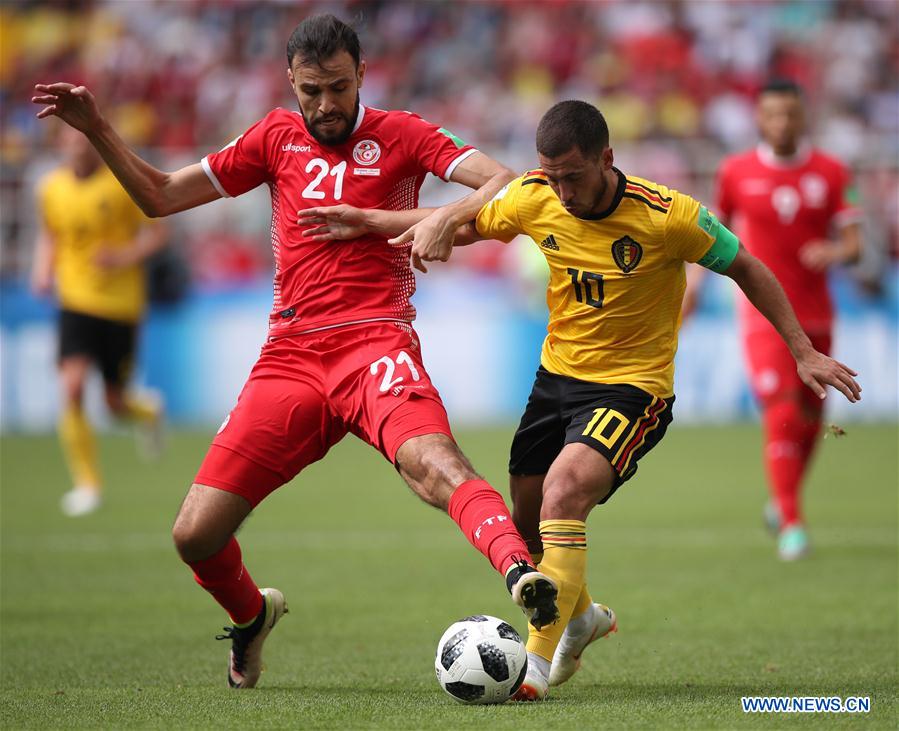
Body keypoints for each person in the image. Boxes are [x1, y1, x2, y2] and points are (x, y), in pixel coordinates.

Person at [32, 14, 559, 690]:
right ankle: (252, 618)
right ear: (291, 82)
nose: (326, 105)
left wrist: (440, 216)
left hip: (376, 343)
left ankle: (521, 573)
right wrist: (98, 129)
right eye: (311, 90)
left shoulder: (402, 133)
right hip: (290, 358)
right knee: (194, 535)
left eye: (339, 87)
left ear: (362, 74)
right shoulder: (273, 137)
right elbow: (160, 196)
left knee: (434, 462)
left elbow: (508, 183)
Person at [297, 99, 862, 701]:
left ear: (606, 159)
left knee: (564, 494)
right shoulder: (536, 195)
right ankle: (585, 617)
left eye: (572, 175)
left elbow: (747, 266)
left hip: (633, 387)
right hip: (556, 380)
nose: (561, 191)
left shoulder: (669, 216)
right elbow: (459, 224)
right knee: (525, 521)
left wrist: (802, 351)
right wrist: (367, 219)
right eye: (550, 175)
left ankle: (534, 667)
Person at [684, 79, 863, 561]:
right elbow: (708, 234)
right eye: (773, 115)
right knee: (782, 410)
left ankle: (781, 502)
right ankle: (792, 523)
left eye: (790, 114)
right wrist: (693, 289)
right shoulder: (735, 172)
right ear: (760, 120)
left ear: (803, 117)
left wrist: (836, 249)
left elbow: (855, 242)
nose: (782, 123)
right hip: (762, 315)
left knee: (811, 416)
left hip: (818, 314)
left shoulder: (831, 171)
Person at [31, 124, 167, 517]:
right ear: (60, 145)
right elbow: (50, 234)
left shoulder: (120, 185)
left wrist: (121, 257)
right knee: (71, 386)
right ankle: (87, 485)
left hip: (121, 305)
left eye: (83, 141)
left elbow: (158, 236)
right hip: (74, 299)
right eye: (70, 141)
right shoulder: (50, 188)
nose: (77, 148)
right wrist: (42, 269)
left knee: (114, 403)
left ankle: (149, 411)